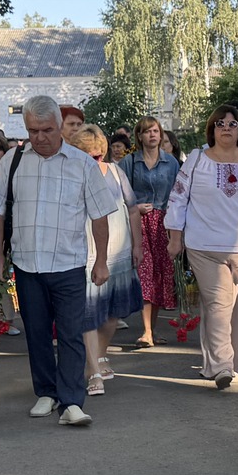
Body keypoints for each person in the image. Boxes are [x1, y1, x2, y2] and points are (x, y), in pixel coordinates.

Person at [0, 96, 120, 427]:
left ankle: (71, 401)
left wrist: (101, 261)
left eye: (46, 130)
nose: (39, 137)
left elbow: (100, 215)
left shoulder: (82, 163)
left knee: (71, 333)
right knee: (37, 332)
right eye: (33, 130)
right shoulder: (13, 160)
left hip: (68, 264)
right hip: (27, 264)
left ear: (60, 127)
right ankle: (46, 392)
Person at [165, 105, 238, 389]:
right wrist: (175, 237)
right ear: (211, 128)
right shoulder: (197, 159)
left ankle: (237, 366)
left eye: (232, 124)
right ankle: (223, 365)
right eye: (220, 123)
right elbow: (178, 199)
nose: (226, 128)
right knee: (219, 303)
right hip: (205, 245)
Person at [72, 125, 142, 396]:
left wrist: (138, 245)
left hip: (119, 253)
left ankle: (100, 355)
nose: (96, 157)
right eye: (89, 154)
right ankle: (93, 370)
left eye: (99, 152)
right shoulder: (73, 176)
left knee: (113, 312)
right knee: (89, 313)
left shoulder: (115, 172)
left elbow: (133, 210)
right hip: (87, 253)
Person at [121, 115, 181, 349]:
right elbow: (116, 193)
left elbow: (179, 196)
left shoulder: (171, 163)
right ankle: (146, 331)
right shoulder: (129, 162)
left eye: (156, 131)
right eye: (147, 131)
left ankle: (152, 330)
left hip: (164, 224)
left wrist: (178, 232)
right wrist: (135, 207)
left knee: (160, 276)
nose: (152, 135)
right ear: (139, 136)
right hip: (139, 223)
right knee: (145, 274)